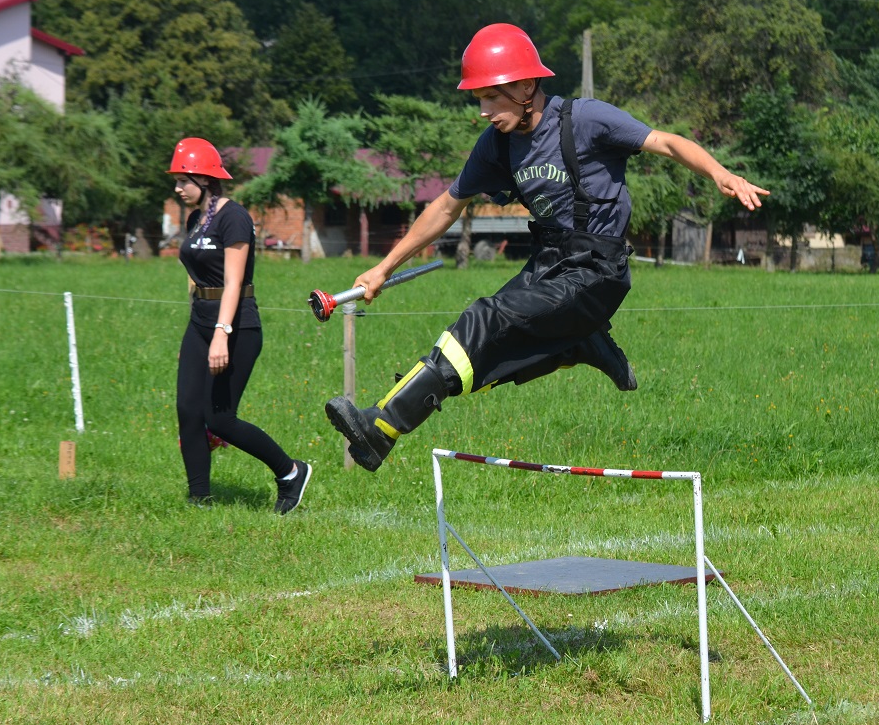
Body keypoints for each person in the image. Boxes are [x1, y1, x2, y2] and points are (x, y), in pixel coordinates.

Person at [325, 23, 769, 472]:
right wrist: (382, 268)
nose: (483, 110)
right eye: (478, 98)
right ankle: (575, 345)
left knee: (486, 320)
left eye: (492, 96)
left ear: (526, 86)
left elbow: (666, 142)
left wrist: (721, 174)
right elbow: (445, 206)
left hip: (597, 270)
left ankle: (381, 426)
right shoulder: (496, 146)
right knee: (490, 351)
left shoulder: (586, 120)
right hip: (547, 262)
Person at [170, 137, 312, 513]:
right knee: (188, 409)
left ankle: (291, 472)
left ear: (205, 180)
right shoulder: (196, 218)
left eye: (184, 180)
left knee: (219, 418)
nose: (177, 188)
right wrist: (198, 330)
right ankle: (199, 499)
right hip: (200, 323)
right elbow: (198, 276)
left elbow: (232, 282)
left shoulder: (234, 217)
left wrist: (221, 335)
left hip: (236, 327)